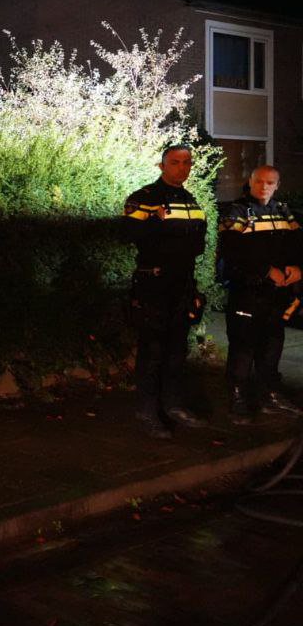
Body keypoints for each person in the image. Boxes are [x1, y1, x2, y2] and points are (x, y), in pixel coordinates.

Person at [122, 145, 209, 438]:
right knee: (153, 350)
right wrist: (155, 223)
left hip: (182, 283)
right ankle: (147, 411)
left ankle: (173, 406)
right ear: (162, 166)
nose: (182, 167)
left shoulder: (191, 201)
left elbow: (197, 244)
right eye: (175, 162)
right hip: (154, 283)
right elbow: (127, 234)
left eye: (187, 162)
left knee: (176, 350)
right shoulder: (144, 198)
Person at [218, 165, 303, 423]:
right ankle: (238, 399)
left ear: (277, 185)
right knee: (243, 346)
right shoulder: (238, 211)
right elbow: (231, 249)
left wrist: (298, 268)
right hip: (248, 291)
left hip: (276, 294)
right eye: (259, 181)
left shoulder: (283, 211)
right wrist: (266, 271)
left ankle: (270, 395)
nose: (264, 186)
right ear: (250, 182)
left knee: (272, 344)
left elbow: (297, 242)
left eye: (270, 182)